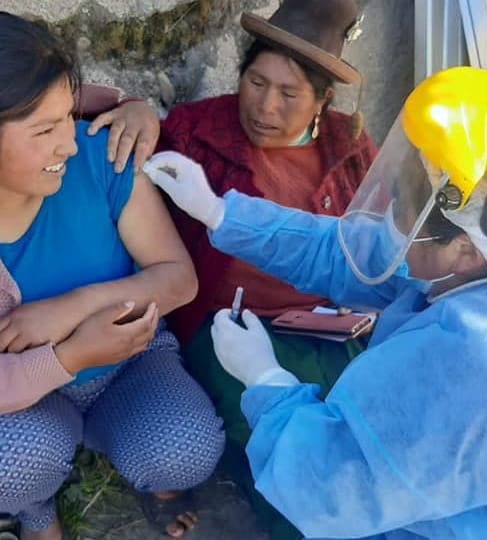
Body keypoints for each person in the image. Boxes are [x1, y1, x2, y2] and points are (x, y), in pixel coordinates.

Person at [144, 66, 487, 539]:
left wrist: (266, 382)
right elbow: (356, 254)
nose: (392, 219)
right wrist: (221, 214)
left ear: (464, 249)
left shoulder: (483, 364)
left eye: (406, 211)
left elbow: (327, 488)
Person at [0, 12, 224, 540]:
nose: (68, 145)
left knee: (186, 452)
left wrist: (73, 309)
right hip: (17, 399)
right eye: (45, 130)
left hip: (127, 365)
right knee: (3, 467)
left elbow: (176, 280)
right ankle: (37, 512)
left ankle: (144, 467)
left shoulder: (100, 151)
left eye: (66, 119)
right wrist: (69, 356)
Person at [91, 2, 375, 537]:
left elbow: (374, 243)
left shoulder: (350, 147)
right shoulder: (199, 132)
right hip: (228, 324)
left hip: (326, 323)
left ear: (323, 100)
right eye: (256, 81)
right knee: (280, 436)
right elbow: (124, 138)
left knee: (364, 418)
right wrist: (133, 107)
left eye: (290, 94)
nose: (266, 107)